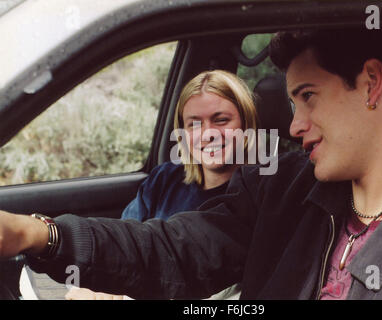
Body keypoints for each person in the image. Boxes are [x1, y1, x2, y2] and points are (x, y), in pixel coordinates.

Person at [0, 27, 382, 299]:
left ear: (371, 82)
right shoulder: (281, 189)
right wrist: (38, 234)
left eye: (308, 96)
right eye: (292, 104)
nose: (295, 127)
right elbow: (174, 248)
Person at [64, 69, 258, 299]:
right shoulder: (165, 178)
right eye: (194, 124)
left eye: (221, 120)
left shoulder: (256, 198)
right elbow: (124, 241)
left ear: (246, 125)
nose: (208, 134)